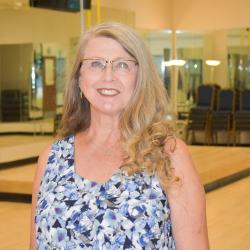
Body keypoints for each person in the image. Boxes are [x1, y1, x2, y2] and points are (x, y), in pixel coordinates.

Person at [30, 22, 209, 249]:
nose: (108, 76)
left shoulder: (168, 155)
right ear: (79, 77)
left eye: (122, 65)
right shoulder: (51, 159)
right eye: (96, 64)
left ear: (140, 78)